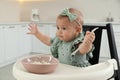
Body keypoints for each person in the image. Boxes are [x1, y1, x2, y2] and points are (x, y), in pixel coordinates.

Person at [27, 8, 95, 67]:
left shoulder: (77, 42)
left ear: (77, 30)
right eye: (58, 28)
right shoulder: (59, 40)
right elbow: (48, 40)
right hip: (64, 71)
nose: (59, 31)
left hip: (78, 73)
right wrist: (37, 33)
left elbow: (83, 49)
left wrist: (87, 42)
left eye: (64, 28)